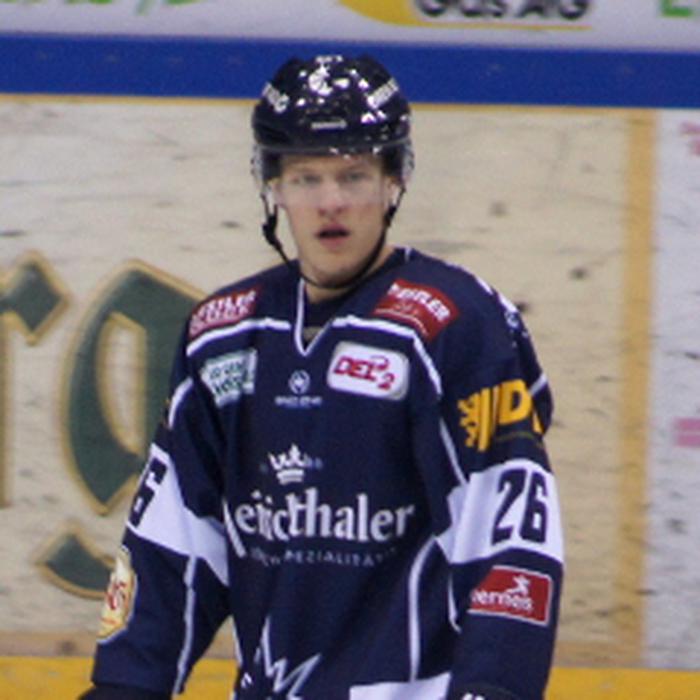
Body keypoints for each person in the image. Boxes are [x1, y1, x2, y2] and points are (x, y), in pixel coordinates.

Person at [79, 53, 564, 700]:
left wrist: (496, 689)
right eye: (306, 177)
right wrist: (128, 686)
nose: (331, 202)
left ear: (393, 181)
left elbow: (508, 538)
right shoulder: (223, 335)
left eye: (354, 175)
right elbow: (175, 541)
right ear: (274, 186)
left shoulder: (454, 326)